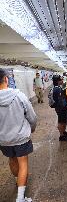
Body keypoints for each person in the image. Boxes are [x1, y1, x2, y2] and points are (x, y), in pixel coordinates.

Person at [0, 68, 37, 202]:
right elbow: (31, 116)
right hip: (21, 137)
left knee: (12, 159)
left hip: (4, 139)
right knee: (23, 164)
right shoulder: (19, 95)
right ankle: (20, 198)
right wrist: (32, 128)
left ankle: (18, 181)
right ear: (6, 79)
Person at [52, 75, 67, 141]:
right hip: (60, 108)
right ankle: (61, 136)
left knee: (63, 120)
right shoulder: (57, 89)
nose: (62, 81)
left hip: (61, 107)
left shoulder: (58, 87)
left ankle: (63, 132)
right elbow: (61, 100)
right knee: (61, 121)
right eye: (61, 80)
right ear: (58, 81)